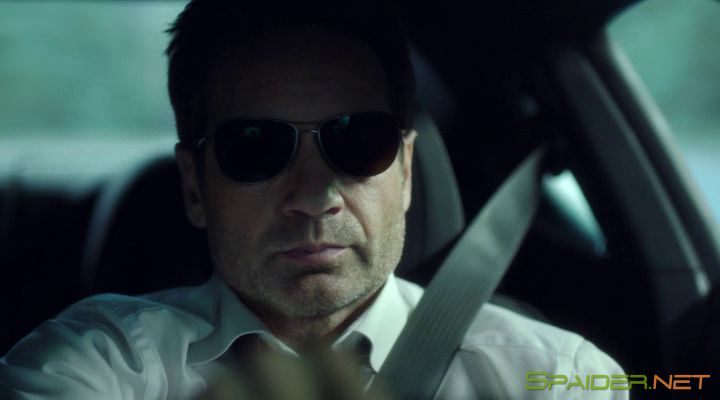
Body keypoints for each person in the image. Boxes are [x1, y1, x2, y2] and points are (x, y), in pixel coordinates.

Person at [0, 1, 626, 399]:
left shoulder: (559, 378)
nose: (314, 196)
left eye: (357, 143)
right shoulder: (94, 366)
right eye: (255, 147)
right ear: (194, 186)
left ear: (407, 171)